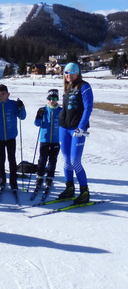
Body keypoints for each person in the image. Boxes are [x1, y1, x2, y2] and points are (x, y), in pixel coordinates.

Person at [57, 62, 94, 204]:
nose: (69, 74)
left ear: (78, 73)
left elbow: (88, 108)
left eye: (72, 72)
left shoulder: (84, 86)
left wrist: (81, 126)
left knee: (75, 160)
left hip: (77, 129)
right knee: (66, 159)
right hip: (64, 127)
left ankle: (84, 192)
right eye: (66, 72)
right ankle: (69, 188)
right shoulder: (67, 87)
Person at [0, 84, 26, 191]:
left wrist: (22, 107)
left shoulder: (13, 104)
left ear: (8, 94)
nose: (1, 96)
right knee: (1, 158)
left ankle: (13, 181)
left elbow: (22, 116)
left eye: (3, 94)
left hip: (11, 135)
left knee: (12, 159)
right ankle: (2, 179)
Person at [33, 89, 62, 192]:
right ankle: (39, 177)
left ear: (57, 99)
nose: (52, 101)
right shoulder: (43, 109)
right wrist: (39, 116)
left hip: (56, 139)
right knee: (42, 160)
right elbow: (37, 124)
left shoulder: (60, 111)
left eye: (54, 98)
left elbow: (64, 124)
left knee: (52, 160)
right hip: (44, 139)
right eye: (50, 98)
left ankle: (49, 178)